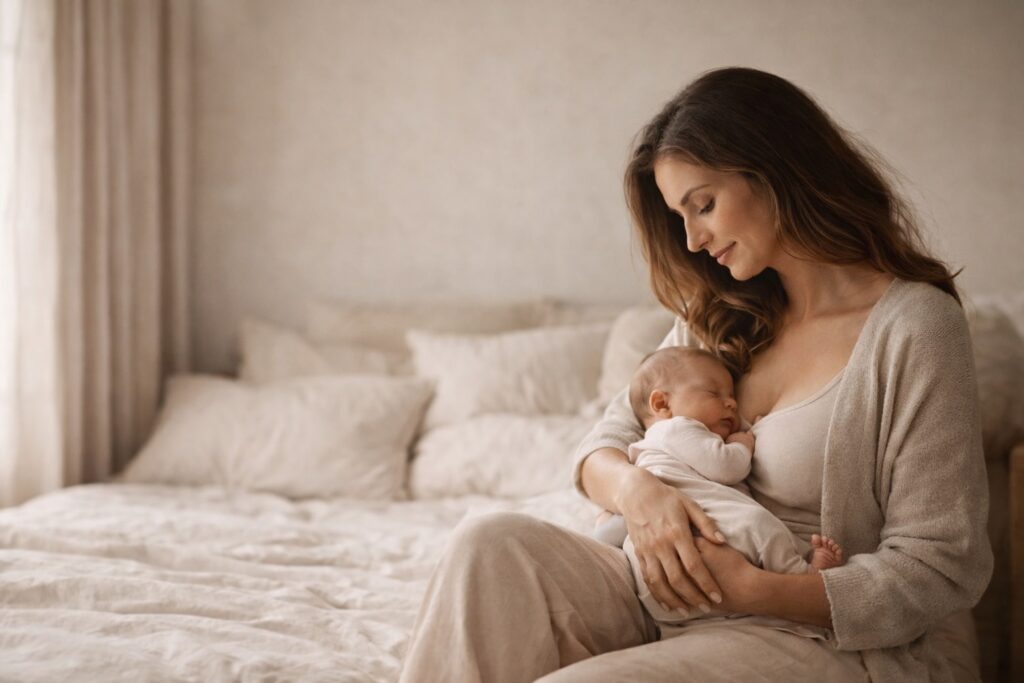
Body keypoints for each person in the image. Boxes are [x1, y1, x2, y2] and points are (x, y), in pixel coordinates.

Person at [399, 67, 992, 682]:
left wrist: (750, 590)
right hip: (663, 596)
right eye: (679, 215)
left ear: (777, 171)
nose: (691, 239)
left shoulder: (914, 326)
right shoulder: (719, 316)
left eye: (702, 205)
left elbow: (940, 565)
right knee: (488, 545)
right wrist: (641, 495)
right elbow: (599, 449)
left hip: (804, 630)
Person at [592, 346, 844, 628]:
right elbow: (727, 466)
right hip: (706, 535)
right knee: (758, 523)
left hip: (660, 581)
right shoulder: (678, 428)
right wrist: (743, 442)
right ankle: (802, 572)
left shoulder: (645, 449)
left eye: (733, 396)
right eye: (714, 394)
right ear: (662, 404)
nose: (732, 404)